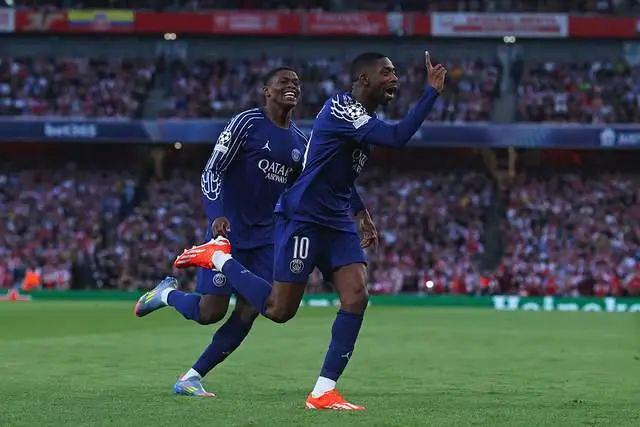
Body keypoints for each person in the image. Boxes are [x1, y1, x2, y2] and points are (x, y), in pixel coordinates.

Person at [174, 51, 447, 409]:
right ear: (364, 79)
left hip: (336, 220)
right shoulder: (341, 108)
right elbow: (397, 137)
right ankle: (217, 259)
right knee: (277, 310)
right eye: (387, 72)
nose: (394, 78)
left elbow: (335, 173)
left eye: (395, 72)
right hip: (303, 217)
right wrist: (431, 93)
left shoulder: (361, 120)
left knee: (356, 296)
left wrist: (360, 212)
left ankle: (323, 391)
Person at [134, 67, 308, 397]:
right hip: (229, 231)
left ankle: (191, 377)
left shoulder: (300, 141)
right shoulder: (246, 123)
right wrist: (217, 215)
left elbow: (299, 192)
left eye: (297, 83)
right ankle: (166, 295)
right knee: (209, 312)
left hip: (267, 239)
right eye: (284, 81)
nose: (292, 86)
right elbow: (212, 170)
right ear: (266, 91)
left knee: (250, 309)